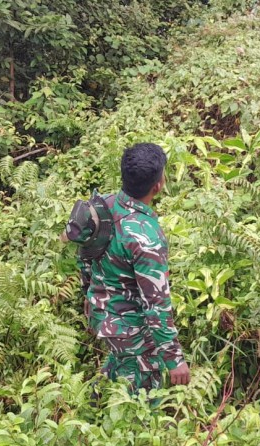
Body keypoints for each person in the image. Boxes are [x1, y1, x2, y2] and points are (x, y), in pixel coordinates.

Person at [65, 142, 190, 393]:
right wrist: (174, 359)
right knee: (141, 396)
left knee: (118, 368)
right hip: (129, 328)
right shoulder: (147, 239)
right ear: (158, 185)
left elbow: (84, 252)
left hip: (103, 315)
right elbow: (156, 304)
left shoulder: (103, 205)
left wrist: (89, 291)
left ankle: (92, 403)